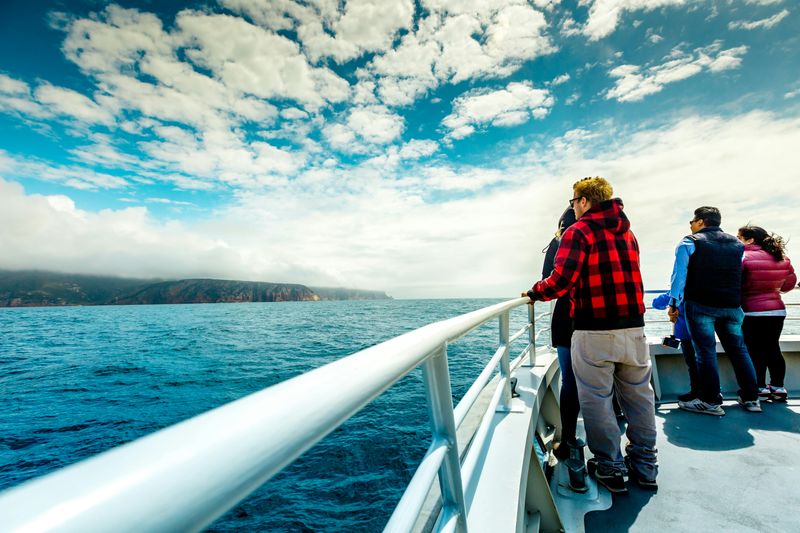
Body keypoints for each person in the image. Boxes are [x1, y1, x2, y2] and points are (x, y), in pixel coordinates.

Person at [525, 176, 657, 493]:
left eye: (573, 201)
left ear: (583, 201)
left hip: (595, 330)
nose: (573, 206)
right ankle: (645, 466)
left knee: (596, 400)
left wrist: (533, 292)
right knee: (639, 398)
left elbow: (560, 281)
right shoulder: (629, 233)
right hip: (634, 328)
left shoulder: (578, 231)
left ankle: (611, 469)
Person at [667, 206, 761, 416]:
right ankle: (751, 397)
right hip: (732, 305)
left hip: (700, 305)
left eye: (692, 221)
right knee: (739, 350)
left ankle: (710, 401)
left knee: (705, 353)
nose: (690, 225)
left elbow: (678, 278)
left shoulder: (689, 242)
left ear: (701, 221)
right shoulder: (737, 245)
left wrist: (673, 304)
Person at [541, 208, 585, 488]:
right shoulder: (603, 237)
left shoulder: (561, 241)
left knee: (570, 379)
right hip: (603, 317)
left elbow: (549, 279)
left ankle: (568, 439)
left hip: (568, 317)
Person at [738, 225, 796, 401]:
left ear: (750, 239)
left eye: (739, 238)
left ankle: (760, 388)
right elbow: (788, 285)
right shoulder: (782, 257)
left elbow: (736, 284)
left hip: (751, 312)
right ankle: (778, 387)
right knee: (773, 348)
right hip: (777, 310)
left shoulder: (743, 258)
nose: (737, 241)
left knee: (754, 351)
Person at [652, 293, 698, 400]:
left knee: (693, 364)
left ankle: (696, 393)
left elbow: (657, 303)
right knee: (706, 363)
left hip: (686, 333)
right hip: (704, 331)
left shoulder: (677, 292)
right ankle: (713, 391)